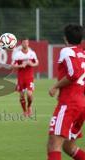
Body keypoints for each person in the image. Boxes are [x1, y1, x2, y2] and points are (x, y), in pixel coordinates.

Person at [47, 24, 85, 160]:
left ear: (65, 38)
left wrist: (55, 86)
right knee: (69, 147)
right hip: (81, 104)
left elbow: (73, 74)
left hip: (69, 104)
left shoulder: (67, 51)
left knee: (53, 144)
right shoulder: (82, 54)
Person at [11, 38, 39, 116]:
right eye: (24, 42)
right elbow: (12, 65)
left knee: (29, 94)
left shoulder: (32, 53)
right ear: (21, 44)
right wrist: (20, 65)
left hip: (29, 77)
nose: (25, 44)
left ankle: (29, 107)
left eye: (27, 42)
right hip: (21, 78)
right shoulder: (18, 54)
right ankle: (24, 111)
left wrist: (31, 64)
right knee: (22, 96)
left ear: (28, 43)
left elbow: (36, 63)